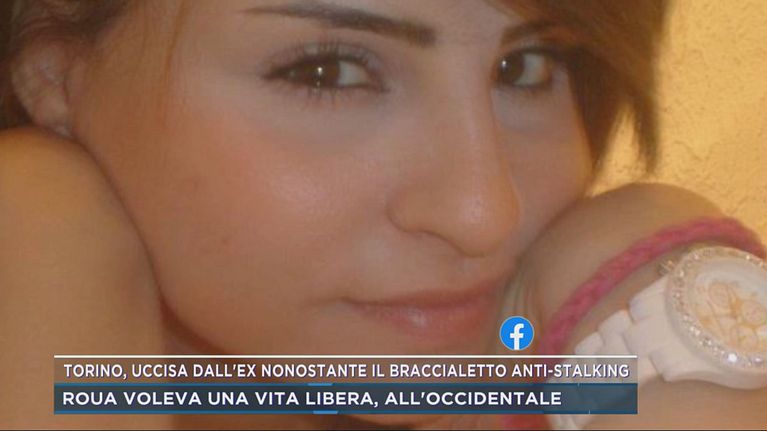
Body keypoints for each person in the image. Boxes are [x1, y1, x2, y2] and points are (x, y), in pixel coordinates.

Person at [0, 0, 762, 429]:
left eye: (524, 67)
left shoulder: (598, 310)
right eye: (328, 70)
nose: (482, 213)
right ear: (53, 75)